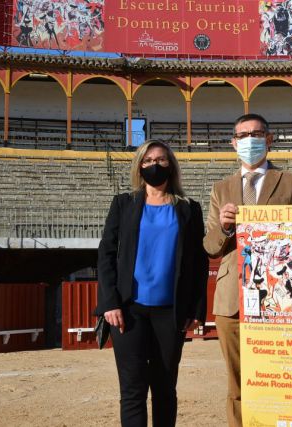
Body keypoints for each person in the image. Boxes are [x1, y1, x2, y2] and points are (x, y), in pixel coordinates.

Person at [204, 113, 292, 427]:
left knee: (279, 377)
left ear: (269, 138)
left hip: (279, 295)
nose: (250, 139)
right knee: (236, 382)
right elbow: (210, 247)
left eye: (257, 133)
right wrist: (223, 228)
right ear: (234, 143)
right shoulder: (221, 188)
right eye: (244, 135)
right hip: (231, 298)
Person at [96, 140, 208, 427]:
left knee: (165, 388)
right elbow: (106, 253)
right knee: (132, 390)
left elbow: (198, 262)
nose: (153, 165)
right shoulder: (124, 204)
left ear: (171, 164)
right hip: (129, 309)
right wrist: (109, 303)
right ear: (139, 167)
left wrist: (196, 308)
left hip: (170, 311)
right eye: (147, 161)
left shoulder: (188, 209)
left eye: (160, 159)